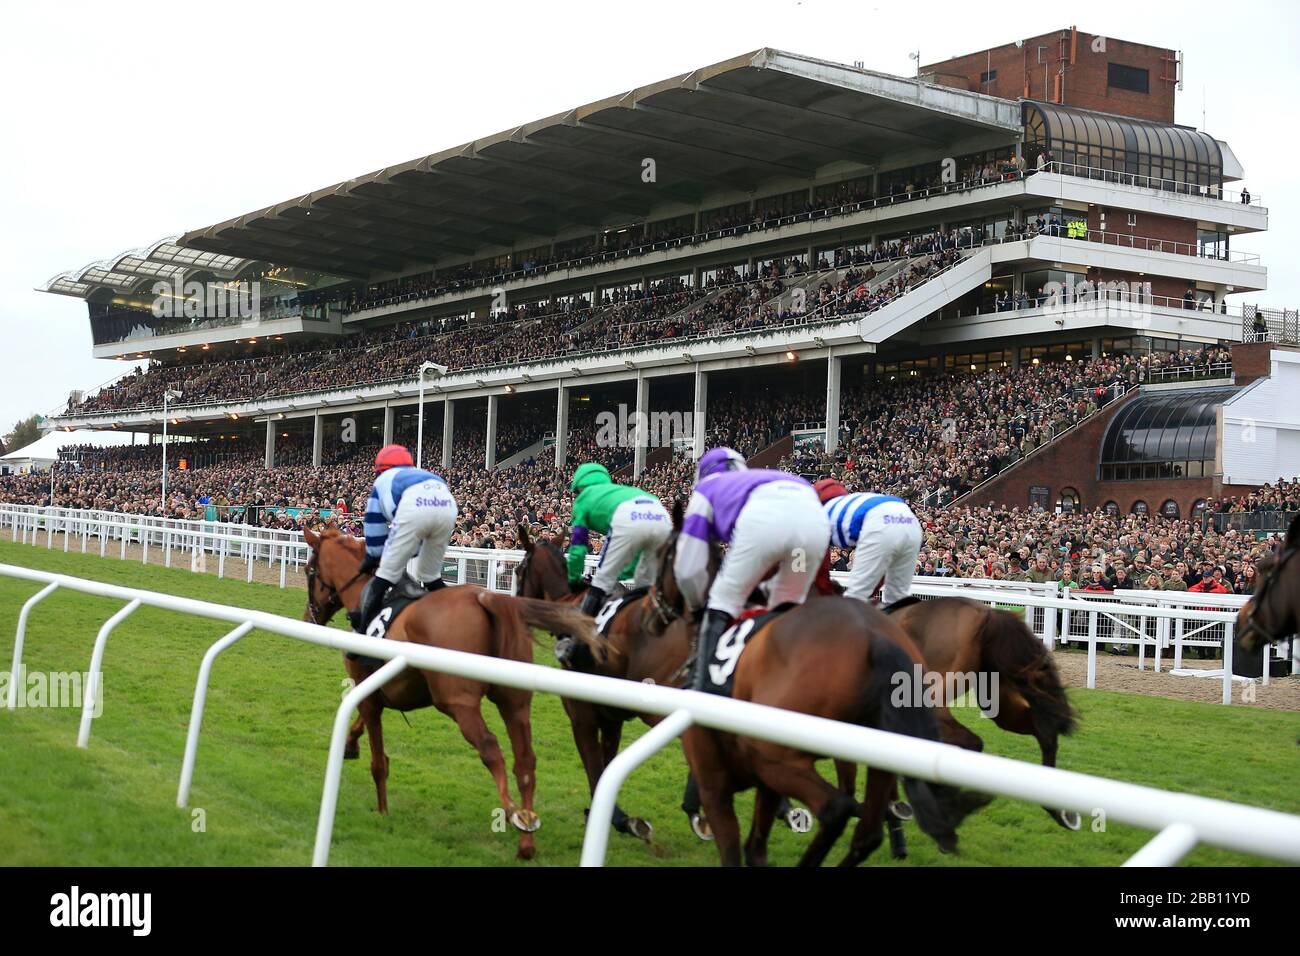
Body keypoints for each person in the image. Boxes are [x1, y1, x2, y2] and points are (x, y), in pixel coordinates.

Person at [674, 447, 830, 695]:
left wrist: (695, 604)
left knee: (724, 599)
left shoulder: (707, 487)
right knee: (786, 604)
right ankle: (787, 681)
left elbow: (688, 569)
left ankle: (703, 685)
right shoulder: (766, 476)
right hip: (813, 525)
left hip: (764, 523)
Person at [354, 444, 459, 631]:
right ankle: (456, 615)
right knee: (429, 575)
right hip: (448, 505)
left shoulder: (382, 481)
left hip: (414, 507)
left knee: (386, 574)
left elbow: (373, 524)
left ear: (381, 469)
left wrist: (371, 558)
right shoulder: (423, 473)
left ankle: (362, 628)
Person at [813, 478, 922, 606]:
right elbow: (880, 571)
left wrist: (825, 593)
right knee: (897, 598)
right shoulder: (854, 500)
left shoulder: (818, 514)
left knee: (855, 598)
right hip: (910, 520)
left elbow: (821, 564)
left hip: (879, 523)